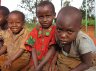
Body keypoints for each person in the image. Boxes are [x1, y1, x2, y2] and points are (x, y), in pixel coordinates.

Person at [55, 6, 96, 71]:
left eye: (69, 31)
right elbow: (56, 49)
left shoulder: (82, 40)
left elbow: (88, 63)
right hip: (72, 58)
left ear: (78, 29)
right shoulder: (57, 35)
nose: (63, 35)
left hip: (89, 59)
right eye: (59, 29)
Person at [25, 1, 56, 71]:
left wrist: (39, 66)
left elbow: (53, 49)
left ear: (54, 15)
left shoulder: (55, 31)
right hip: (34, 61)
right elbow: (32, 47)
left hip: (48, 62)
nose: (45, 20)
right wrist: (36, 66)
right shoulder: (35, 30)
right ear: (37, 17)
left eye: (48, 16)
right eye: (41, 17)